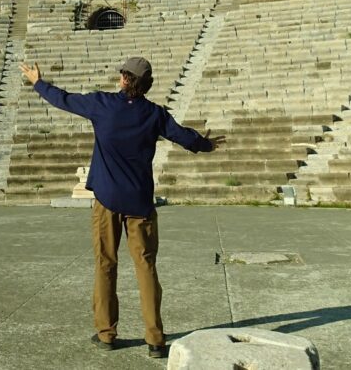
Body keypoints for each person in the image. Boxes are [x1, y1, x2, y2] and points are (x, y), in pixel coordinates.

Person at [19, 56, 223, 359]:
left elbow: (63, 100)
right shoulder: (155, 114)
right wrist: (207, 144)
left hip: (106, 200)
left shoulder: (102, 104)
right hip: (140, 203)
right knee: (146, 268)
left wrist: (38, 82)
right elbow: (184, 136)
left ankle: (106, 334)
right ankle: (155, 339)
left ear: (125, 79)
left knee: (105, 264)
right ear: (146, 85)